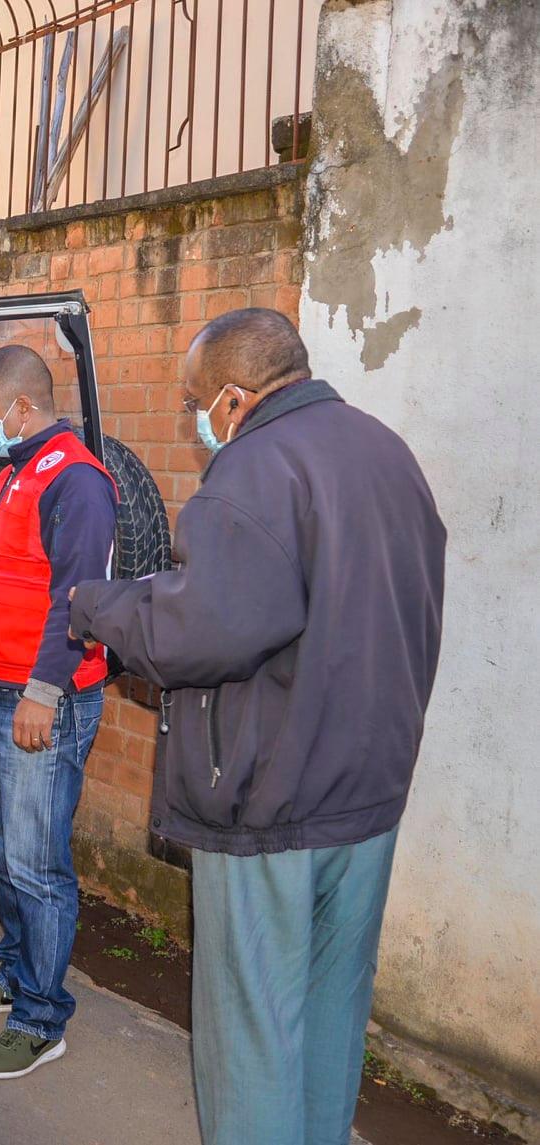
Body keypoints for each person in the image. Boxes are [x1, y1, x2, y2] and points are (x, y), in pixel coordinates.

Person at [68, 309, 446, 1145]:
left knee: (251, 1029)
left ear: (233, 397)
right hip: (367, 790)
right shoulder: (386, 451)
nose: (194, 420)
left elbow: (194, 634)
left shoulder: (252, 470)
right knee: (328, 1009)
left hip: (269, 796)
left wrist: (97, 605)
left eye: (194, 402)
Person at [0, 344, 117, 1081]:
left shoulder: (75, 479)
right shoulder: (14, 472)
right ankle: (17, 972)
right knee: (0, 843)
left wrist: (43, 692)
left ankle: (41, 1019)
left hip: (44, 698)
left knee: (37, 861)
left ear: (22, 405)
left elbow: (78, 598)